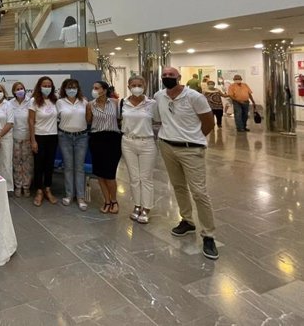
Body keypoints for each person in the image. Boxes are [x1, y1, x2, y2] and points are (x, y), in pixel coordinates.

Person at [154, 66, 218, 260]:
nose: (167, 77)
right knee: (179, 187)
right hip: (167, 146)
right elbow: (159, 120)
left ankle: (209, 235)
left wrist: (195, 139)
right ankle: (187, 220)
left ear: (179, 77)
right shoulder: (159, 96)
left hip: (191, 148)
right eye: (164, 75)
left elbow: (208, 122)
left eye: (171, 75)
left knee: (199, 192)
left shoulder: (194, 97)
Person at [119, 76, 158, 224]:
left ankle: (146, 208)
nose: (136, 87)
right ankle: (137, 205)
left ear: (145, 86)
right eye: (133, 85)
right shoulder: (123, 103)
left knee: (146, 177)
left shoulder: (152, 104)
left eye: (139, 85)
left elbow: (159, 121)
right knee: (134, 177)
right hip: (128, 141)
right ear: (129, 86)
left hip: (146, 142)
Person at [86, 80, 122, 214]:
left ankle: (114, 200)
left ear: (104, 90)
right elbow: (89, 121)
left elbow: (120, 119)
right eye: (93, 88)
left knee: (110, 174)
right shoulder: (90, 105)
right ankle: (106, 201)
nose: (94, 90)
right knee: (100, 174)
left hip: (112, 139)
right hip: (96, 139)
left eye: (97, 88)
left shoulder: (115, 103)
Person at [56, 78, 88, 210]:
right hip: (65, 137)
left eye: (74, 87)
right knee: (68, 167)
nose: (71, 90)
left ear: (78, 89)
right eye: (69, 87)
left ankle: (80, 197)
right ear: (64, 89)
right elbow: (56, 119)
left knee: (79, 167)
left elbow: (89, 117)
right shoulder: (59, 102)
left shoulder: (84, 102)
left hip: (81, 137)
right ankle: (69, 195)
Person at [29, 76, 59, 206]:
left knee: (49, 165)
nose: (47, 88)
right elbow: (30, 121)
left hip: (52, 136)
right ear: (39, 86)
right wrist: (33, 140)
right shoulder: (34, 101)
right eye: (44, 85)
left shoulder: (55, 100)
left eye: (49, 86)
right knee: (38, 165)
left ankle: (48, 189)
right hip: (39, 136)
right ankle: (39, 191)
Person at [9, 81, 33, 197]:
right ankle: (18, 186)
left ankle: (26, 186)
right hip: (14, 138)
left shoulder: (31, 101)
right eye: (17, 89)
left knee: (28, 164)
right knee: (17, 163)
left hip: (28, 138)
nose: (20, 91)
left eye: (21, 88)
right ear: (13, 92)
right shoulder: (10, 103)